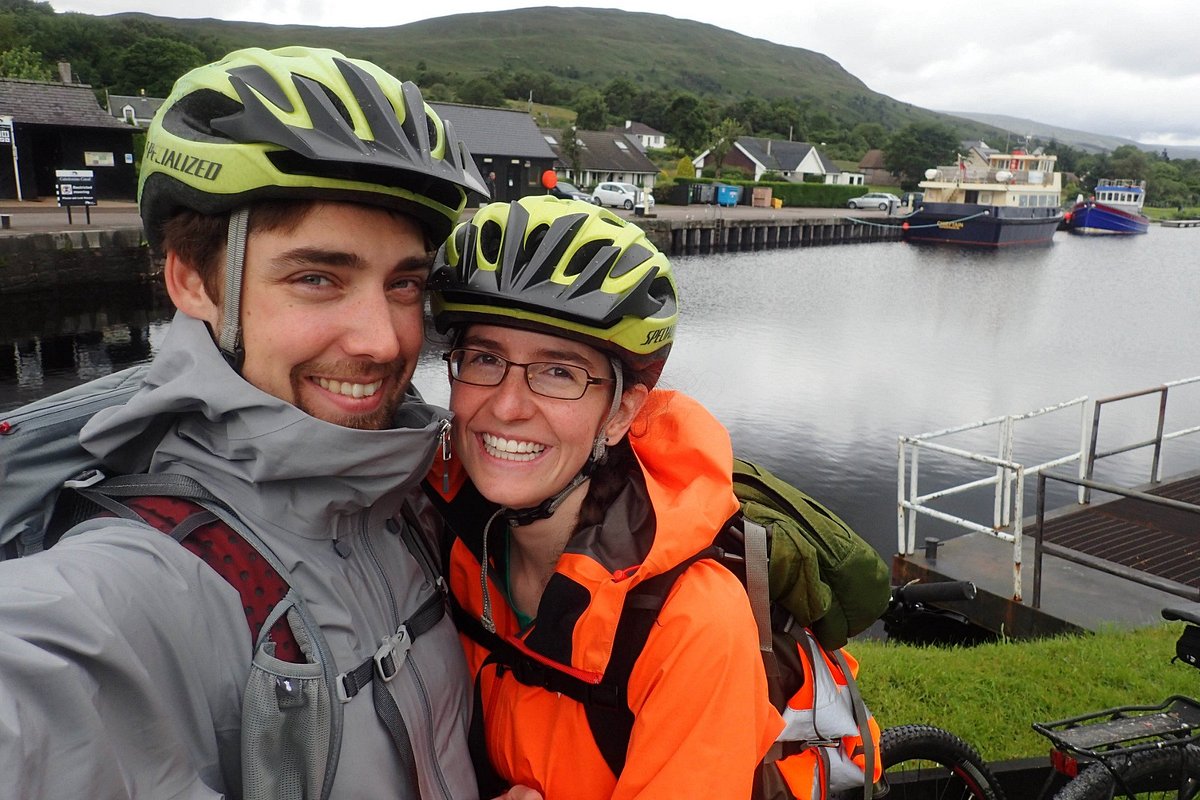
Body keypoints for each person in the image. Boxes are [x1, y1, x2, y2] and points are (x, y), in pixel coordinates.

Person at [0, 46, 490, 799]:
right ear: (192, 282)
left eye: (404, 283)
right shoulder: (146, 579)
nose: (384, 339)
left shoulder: (404, 500)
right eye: (318, 278)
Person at [425, 195, 785, 799]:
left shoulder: (691, 624)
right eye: (485, 359)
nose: (507, 407)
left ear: (620, 413)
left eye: (559, 372)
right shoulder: (450, 537)